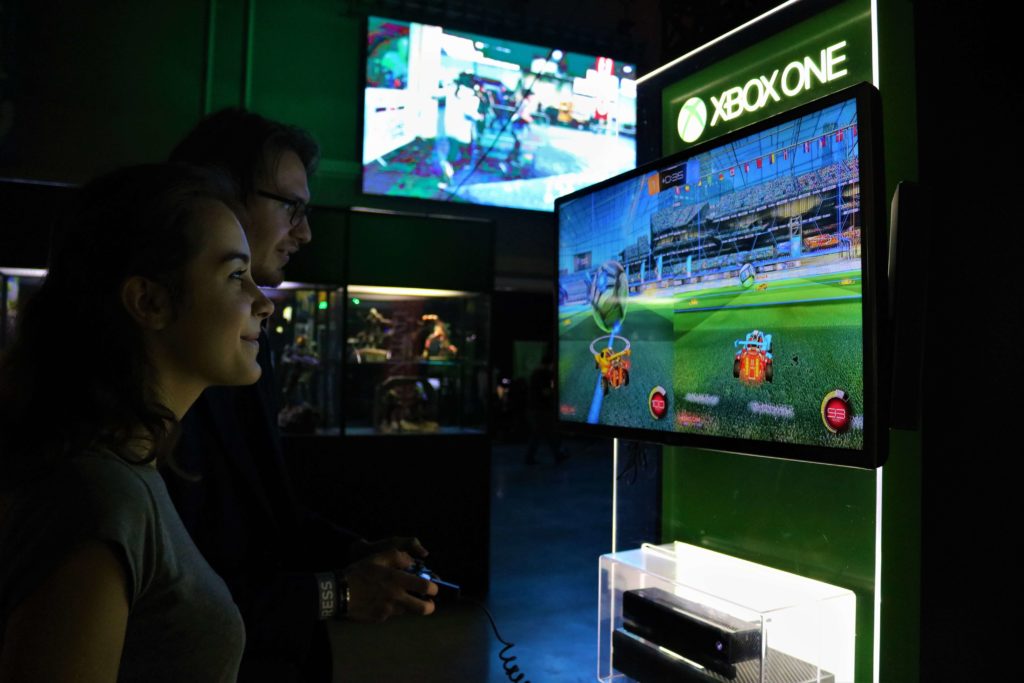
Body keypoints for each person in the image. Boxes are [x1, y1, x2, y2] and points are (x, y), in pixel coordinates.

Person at [167, 108, 437, 682]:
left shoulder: (251, 351)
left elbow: (268, 518)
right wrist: (337, 593)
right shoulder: (141, 409)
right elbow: (170, 595)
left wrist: (354, 554)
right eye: (291, 207)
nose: (305, 232)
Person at [0, 163, 274, 681]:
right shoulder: (100, 494)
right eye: (236, 276)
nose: (263, 303)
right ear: (149, 301)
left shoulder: (125, 468)